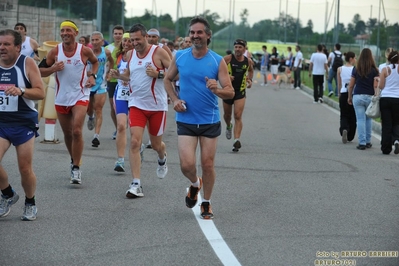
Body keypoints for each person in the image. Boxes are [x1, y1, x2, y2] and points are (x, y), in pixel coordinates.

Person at [164, 16, 234, 219]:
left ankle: (206, 202)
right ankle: (195, 184)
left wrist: (217, 90)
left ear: (208, 35)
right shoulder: (181, 56)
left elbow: (229, 92)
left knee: (208, 164)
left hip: (209, 120)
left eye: (199, 32)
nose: (195, 36)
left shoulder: (217, 60)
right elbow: (167, 80)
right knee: (186, 165)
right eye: (192, 32)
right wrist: (175, 99)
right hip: (186, 118)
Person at [109, 23, 171, 198]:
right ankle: (136, 183)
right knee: (135, 142)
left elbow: (177, 73)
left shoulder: (158, 52)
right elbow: (129, 75)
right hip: (136, 104)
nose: (134, 43)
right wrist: (118, 75)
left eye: (137, 39)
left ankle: (162, 157)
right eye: (132, 40)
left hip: (157, 106)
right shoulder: (130, 55)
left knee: (156, 144)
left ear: (145, 37)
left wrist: (158, 74)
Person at [39, 20, 99, 184]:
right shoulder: (54, 52)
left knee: (77, 131)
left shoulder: (84, 51)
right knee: (67, 134)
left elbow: (95, 62)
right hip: (61, 97)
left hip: (80, 95)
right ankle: (74, 161)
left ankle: (76, 169)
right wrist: (53, 69)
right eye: (62, 30)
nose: (65, 33)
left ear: (76, 33)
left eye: (68, 30)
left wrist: (92, 76)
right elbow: (40, 71)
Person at [0, 29, 45, 221]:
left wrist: (21, 90)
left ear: (18, 47)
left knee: (24, 168)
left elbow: (40, 92)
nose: (2, 48)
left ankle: (30, 202)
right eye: (0, 44)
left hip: (23, 122)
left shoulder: (27, 63)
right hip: (2, 122)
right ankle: (8, 194)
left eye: (6, 44)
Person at [113, 32, 143, 172]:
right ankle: (120, 159)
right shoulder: (118, 56)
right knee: (120, 126)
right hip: (120, 94)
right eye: (124, 41)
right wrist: (114, 74)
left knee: (134, 130)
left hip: (135, 95)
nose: (125, 43)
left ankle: (138, 146)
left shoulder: (137, 57)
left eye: (128, 41)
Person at [223, 39, 253, 152]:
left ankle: (236, 140)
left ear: (244, 49)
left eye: (240, 47)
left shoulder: (248, 61)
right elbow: (217, 70)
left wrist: (249, 80)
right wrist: (226, 76)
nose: (237, 49)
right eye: (236, 47)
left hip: (240, 91)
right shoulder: (228, 59)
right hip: (228, 90)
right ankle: (228, 126)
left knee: (237, 115)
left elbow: (251, 71)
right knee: (227, 115)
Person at [347, 48, 379, 150]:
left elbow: (351, 85)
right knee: (368, 119)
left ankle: (362, 142)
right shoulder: (374, 70)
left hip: (358, 96)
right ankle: (368, 141)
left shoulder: (356, 68)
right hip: (370, 96)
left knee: (360, 119)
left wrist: (349, 96)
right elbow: (375, 86)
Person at [86, 31, 114, 148]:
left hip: (101, 85)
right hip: (88, 84)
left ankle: (96, 136)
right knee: (89, 109)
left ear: (102, 41)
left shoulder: (106, 52)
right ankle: (90, 117)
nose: (94, 42)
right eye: (92, 40)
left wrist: (109, 73)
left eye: (97, 40)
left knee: (98, 109)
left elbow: (112, 62)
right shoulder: (87, 52)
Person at [378, 51, 399, 155]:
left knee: (386, 124)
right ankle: (396, 140)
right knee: (396, 122)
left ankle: (386, 148)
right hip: (397, 99)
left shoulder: (385, 69)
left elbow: (381, 86)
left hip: (385, 98)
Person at [106, 25, 124, 140]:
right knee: (113, 106)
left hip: (124, 80)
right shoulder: (108, 48)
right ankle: (117, 128)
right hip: (112, 80)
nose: (117, 36)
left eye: (120, 34)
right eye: (116, 33)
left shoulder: (127, 47)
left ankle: (124, 126)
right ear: (113, 35)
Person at [337, 52, 357, 144]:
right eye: (355, 58)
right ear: (351, 59)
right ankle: (350, 135)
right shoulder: (355, 69)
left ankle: (344, 129)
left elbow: (339, 83)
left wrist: (339, 94)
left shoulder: (340, 69)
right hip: (353, 93)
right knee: (352, 115)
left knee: (344, 114)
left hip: (343, 92)